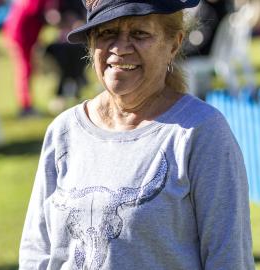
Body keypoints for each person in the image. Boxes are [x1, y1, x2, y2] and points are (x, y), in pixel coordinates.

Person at [19, 0, 255, 269]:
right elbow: (36, 251)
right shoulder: (64, 131)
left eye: (140, 34)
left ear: (174, 43)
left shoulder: (200, 131)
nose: (119, 48)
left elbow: (229, 258)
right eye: (107, 33)